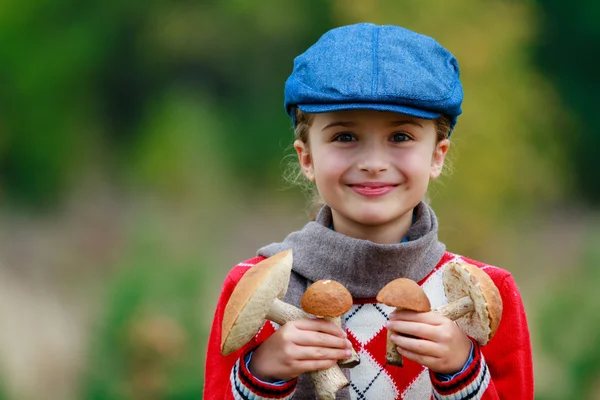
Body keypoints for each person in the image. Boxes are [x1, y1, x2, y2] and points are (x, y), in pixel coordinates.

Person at [204, 22, 533, 399]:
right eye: (345, 137)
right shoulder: (252, 286)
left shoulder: (488, 294)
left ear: (436, 156)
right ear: (307, 157)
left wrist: (463, 367)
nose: (374, 162)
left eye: (401, 137)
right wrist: (263, 371)